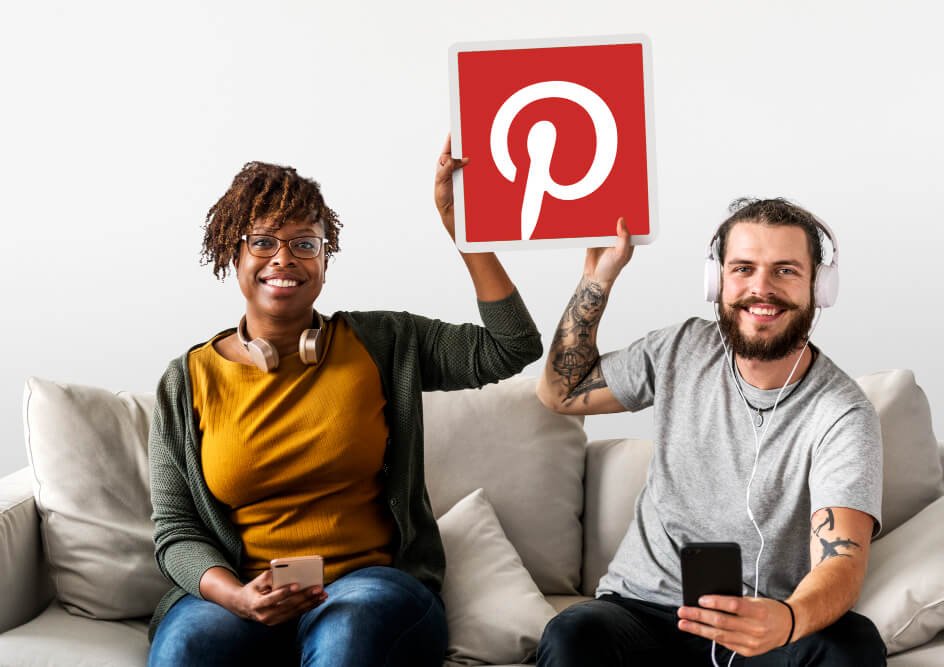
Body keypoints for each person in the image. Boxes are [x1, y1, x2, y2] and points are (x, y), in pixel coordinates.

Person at [146, 139, 542, 666]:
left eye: (304, 244)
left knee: (347, 636)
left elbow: (511, 345)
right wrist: (235, 597)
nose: (283, 258)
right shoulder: (186, 381)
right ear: (231, 253)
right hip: (242, 593)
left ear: (325, 260)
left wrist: (463, 229)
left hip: (365, 588)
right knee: (186, 648)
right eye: (262, 242)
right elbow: (176, 529)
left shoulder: (383, 343)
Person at [534, 199, 886, 666]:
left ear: (819, 287)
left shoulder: (842, 414)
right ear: (716, 280)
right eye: (743, 268)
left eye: (785, 271)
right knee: (571, 635)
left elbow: (841, 559)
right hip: (643, 611)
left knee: (851, 646)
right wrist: (597, 281)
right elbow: (560, 393)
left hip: (763, 624)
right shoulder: (681, 348)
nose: (761, 289)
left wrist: (788, 619)